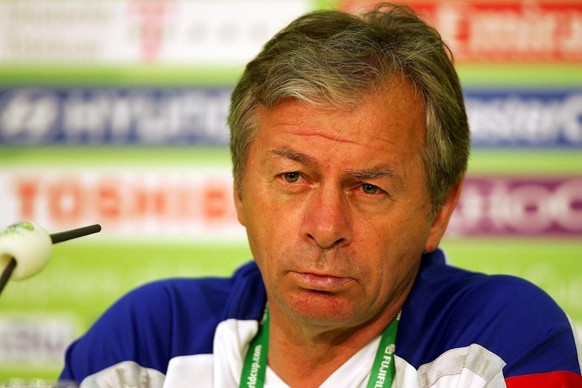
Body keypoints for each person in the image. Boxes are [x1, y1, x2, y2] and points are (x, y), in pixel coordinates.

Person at [60, 3, 582, 387]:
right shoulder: (148, 342)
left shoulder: (498, 340)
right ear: (240, 188)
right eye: (293, 178)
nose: (326, 227)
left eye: (369, 187)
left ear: (438, 210)